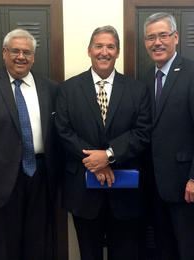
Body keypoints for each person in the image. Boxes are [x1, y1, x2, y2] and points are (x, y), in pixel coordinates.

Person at [55, 25, 151, 260]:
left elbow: (142, 132)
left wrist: (108, 156)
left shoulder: (137, 90)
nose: (104, 52)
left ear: (117, 52)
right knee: (89, 254)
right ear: (89, 50)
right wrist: (95, 161)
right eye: (99, 46)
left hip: (126, 192)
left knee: (125, 253)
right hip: (83, 190)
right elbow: (63, 131)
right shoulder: (68, 89)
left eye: (110, 47)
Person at [0, 28, 59, 260]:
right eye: (15, 51)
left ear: (33, 56)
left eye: (27, 52)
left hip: (41, 177)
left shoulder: (50, 88)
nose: (21, 56)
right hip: (0, 181)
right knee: (6, 247)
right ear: (4, 52)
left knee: (39, 244)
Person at [141, 12, 194, 260]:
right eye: (151, 37)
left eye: (163, 35)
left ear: (175, 37)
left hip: (188, 187)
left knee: (189, 251)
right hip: (155, 186)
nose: (157, 42)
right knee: (164, 250)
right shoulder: (145, 78)